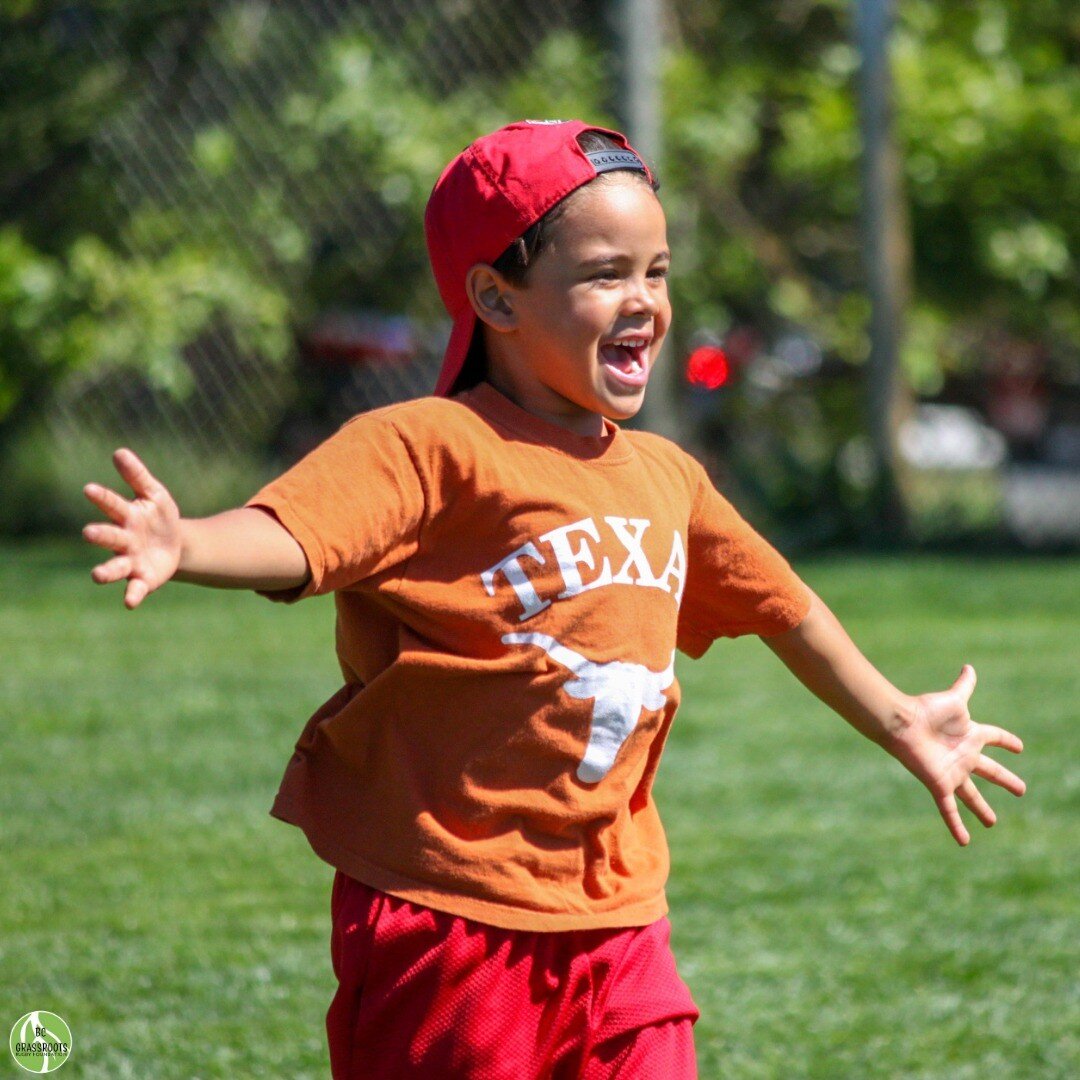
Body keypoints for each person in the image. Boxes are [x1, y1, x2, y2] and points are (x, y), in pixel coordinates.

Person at [82, 121, 1026, 1079]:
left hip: (620, 918)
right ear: (495, 294)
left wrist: (905, 720)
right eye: (606, 273)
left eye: (657, 272)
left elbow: (785, 608)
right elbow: (297, 536)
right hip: (448, 912)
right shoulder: (431, 444)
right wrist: (187, 541)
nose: (645, 303)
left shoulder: (668, 475)